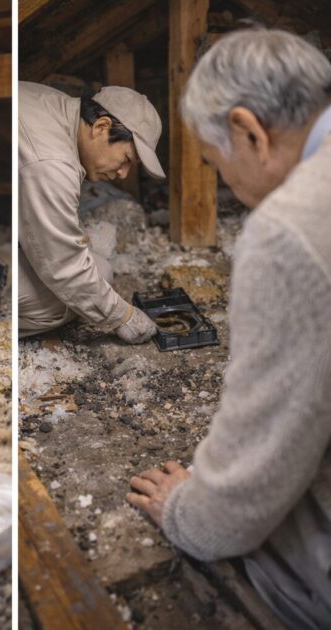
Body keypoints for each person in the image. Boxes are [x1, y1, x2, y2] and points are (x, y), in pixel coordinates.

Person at [126, 28, 331, 629]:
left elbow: (260, 462)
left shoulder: (292, 230)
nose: (225, 184)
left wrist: (189, 511)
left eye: (216, 164)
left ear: (249, 132)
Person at [18, 81, 165, 342]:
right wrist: (123, 317)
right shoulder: (52, 164)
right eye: (126, 160)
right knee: (59, 303)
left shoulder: (56, 104)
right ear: (101, 127)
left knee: (97, 268)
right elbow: (64, 266)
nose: (123, 173)